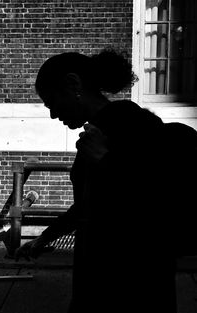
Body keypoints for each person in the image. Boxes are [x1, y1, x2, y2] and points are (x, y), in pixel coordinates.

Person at [15, 49, 197, 312]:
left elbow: (154, 194)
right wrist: (45, 237)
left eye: (51, 101)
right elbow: (89, 203)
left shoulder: (131, 123)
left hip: (131, 277)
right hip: (103, 270)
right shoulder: (99, 130)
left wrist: (106, 161)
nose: (53, 114)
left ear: (73, 84)